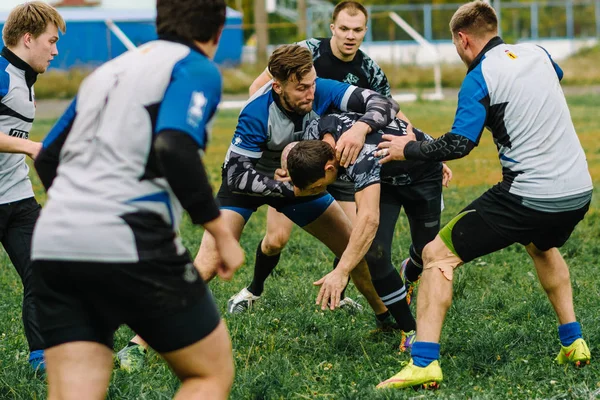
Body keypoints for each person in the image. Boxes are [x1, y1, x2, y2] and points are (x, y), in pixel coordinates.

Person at [118, 44, 400, 369]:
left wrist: (361, 127)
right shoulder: (256, 112)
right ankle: (138, 343)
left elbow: (383, 103)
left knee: (355, 250)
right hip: (250, 183)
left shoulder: (320, 88)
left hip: (299, 183)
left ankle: (385, 319)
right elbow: (237, 176)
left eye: (312, 84)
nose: (310, 94)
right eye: (301, 88)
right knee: (207, 264)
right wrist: (287, 188)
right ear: (277, 86)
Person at [31, 0, 245, 398]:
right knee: (208, 374)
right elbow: (175, 146)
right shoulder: (195, 66)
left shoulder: (108, 71)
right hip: (131, 236)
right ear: (217, 32)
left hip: (54, 241)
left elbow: (47, 155)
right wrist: (222, 234)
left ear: (159, 20)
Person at [375, 1, 593, 390]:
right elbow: (548, 83)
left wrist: (408, 148)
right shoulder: (539, 53)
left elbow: (460, 142)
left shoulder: (480, 76)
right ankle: (573, 341)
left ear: (463, 39)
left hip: (529, 194)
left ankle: (423, 361)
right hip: (578, 190)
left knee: (435, 254)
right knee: (541, 246)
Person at [230, 0, 431, 317]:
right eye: (345, 28)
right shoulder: (305, 51)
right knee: (275, 239)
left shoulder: (368, 69)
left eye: (357, 29)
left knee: (356, 239)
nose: (350, 36)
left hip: (346, 160)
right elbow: (260, 90)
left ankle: (354, 297)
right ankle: (253, 289)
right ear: (332, 28)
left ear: (365, 31)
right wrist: (280, 150)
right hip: (304, 161)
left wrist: (420, 144)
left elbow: (390, 109)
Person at [284, 112, 449, 350]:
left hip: (422, 174)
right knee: (375, 254)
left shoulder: (360, 158)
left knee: (427, 251)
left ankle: (409, 269)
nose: (304, 192)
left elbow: (369, 220)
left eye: (315, 186)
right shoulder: (315, 136)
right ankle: (411, 329)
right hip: (385, 180)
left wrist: (342, 271)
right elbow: (289, 150)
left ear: (330, 168)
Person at [0, 1, 65, 372]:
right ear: (28, 39)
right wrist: (30, 146)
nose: (55, 51)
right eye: (51, 41)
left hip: (18, 197)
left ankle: (41, 358)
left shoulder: (25, 78)